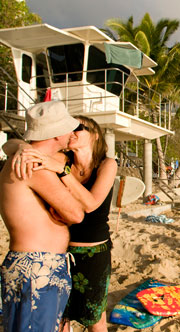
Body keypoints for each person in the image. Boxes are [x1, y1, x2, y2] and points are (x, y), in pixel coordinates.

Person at [12, 114, 117, 331]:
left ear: (95, 135)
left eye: (79, 127)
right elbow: (9, 145)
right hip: (62, 255)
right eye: (70, 128)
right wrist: (22, 146)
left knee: (95, 320)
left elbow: (91, 204)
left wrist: (62, 172)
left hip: (94, 254)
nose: (72, 132)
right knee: (60, 318)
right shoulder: (62, 158)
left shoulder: (107, 164)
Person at [0, 101, 85, 332]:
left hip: (38, 265)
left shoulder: (26, 158)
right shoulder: (33, 165)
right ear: (57, 134)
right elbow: (76, 213)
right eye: (69, 129)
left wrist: (18, 146)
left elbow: (11, 145)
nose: (72, 134)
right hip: (36, 268)